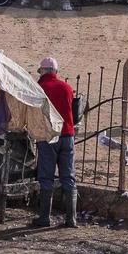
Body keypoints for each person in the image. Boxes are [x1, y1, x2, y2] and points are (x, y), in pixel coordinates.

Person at [33, 56, 77, 229]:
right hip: (67, 135)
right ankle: (71, 219)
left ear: (43, 71)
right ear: (56, 72)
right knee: (68, 177)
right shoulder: (66, 87)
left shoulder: (40, 88)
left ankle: (44, 218)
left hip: (49, 135)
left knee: (46, 177)